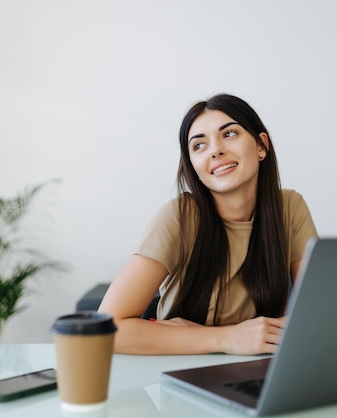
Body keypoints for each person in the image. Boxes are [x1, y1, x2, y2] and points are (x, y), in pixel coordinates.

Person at [98, 94, 318, 355]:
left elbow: (316, 316)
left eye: (230, 134)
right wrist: (226, 339)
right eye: (199, 146)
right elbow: (104, 331)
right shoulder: (179, 217)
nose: (215, 150)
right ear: (193, 166)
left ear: (261, 146)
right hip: (180, 374)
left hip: (259, 373)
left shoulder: (289, 208)